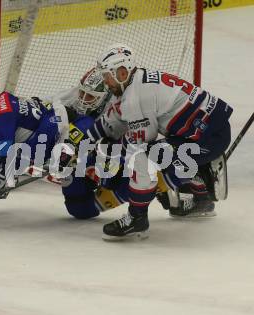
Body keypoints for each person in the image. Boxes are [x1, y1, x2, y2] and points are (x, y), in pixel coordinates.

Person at [86, 43, 233, 240]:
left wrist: (108, 156)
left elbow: (137, 150)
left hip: (210, 139)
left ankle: (137, 218)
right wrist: (81, 141)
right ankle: (202, 194)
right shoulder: (134, 83)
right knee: (159, 155)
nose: (105, 82)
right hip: (201, 132)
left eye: (107, 76)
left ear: (122, 73)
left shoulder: (137, 96)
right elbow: (113, 118)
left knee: (145, 159)